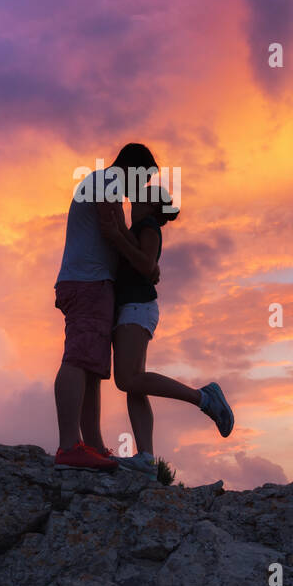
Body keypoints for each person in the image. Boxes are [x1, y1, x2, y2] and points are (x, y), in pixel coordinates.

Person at [109, 182, 233, 479]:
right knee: (135, 383)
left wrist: (115, 234)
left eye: (140, 197)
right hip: (134, 308)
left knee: (128, 379)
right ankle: (146, 458)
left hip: (137, 307)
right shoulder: (139, 227)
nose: (133, 199)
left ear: (151, 205)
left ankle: (203, 398)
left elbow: (146, 264)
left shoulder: (149, 226)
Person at [52, 143, 163, 471]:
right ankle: (69, 446)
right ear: (133, 170)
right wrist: (147, 265)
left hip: (94, 283)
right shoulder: (106, 182)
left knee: (91, 366)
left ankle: (92, 445)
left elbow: (114, 231)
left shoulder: (103, 183)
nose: (137, 193)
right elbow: (108, 227)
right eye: (141, 182)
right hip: (88, 282)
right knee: (77, 359)